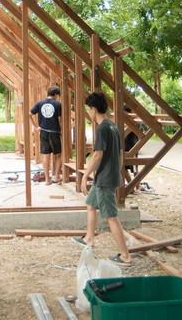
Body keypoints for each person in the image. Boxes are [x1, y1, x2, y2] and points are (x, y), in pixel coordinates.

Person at [71, 92, 132, 266]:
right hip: (106, 176)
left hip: (104, 178)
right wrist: (118, 171)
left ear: (93, 109)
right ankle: (89, 238)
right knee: (90, 204)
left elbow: (98, 154)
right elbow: (120, 153)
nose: (88, 112)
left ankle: (125, 255)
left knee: (111, 216)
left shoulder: (103, 128)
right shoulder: (112, 126)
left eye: (88, 109)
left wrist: (84, 176)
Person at [30, 86, 62, 184]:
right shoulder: (57, 104)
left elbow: (29, 114)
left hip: (43, 131)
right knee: (59, 155)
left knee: (46, 155)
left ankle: (47, 180)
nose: (58, 97)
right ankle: (56, 176)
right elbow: (60, 120)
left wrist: (36, 127)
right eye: (58, 95)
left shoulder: (40, 103)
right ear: (56, 94)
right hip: (54, 132)